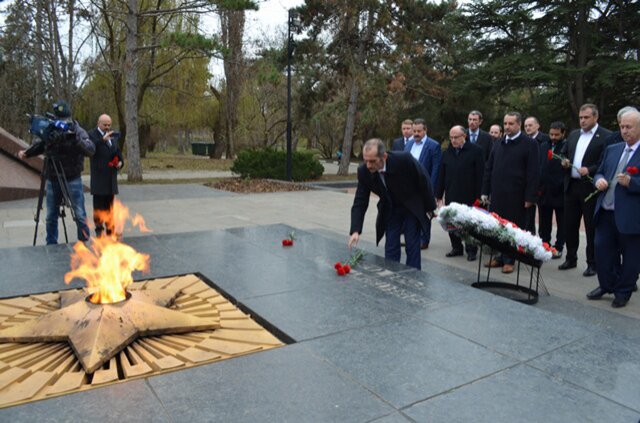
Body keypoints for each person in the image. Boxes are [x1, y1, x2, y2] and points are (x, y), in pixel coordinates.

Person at [349, 138, 436, 270]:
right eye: (366, 160)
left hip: (411, 206)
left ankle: (414, 276)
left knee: (412, 245)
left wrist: (430, 208)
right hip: (390, 208)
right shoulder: (364, 172)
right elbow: (360, 201)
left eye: (372, 161)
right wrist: (355, 230)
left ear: (384, 156)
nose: (368, 165)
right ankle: (391, 273)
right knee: (391, 245)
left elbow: (423, 181)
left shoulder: (404, 160)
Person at [18, 100, 95, 245]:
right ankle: (51, 245)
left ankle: (84, 242)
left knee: (79, 214)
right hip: (53, 178)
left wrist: (76, 139)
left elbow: (91, 150)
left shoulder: (78, 130)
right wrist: (27, 153)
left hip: (73, 178)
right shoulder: (52, 129)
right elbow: (41, 145)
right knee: (51, 216)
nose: (62, 123)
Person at [588, 110, 640, 308]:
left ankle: (623, 291)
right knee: (602, 250)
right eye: (622, 126)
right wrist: (598, 180)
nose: (624, 131)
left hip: (630, 215)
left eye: (629, 127)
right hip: (606, 212)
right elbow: (600, 171)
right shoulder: (613, 149)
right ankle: (607, 285)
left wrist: (632, 183)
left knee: (631, 256)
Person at [481, 112, 540, 274]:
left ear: (519, 124)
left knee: (513, 228)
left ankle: (510, 259)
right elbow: (489, 167)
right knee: (498, 227)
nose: (507, 127)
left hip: (517, 195)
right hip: (498, 194)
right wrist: (485, 191)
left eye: (511, 124)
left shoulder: (529, 144)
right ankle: (499, 256)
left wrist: (530, 197)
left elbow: (534, 172)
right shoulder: (499, 142)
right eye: (505, 123)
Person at [559, 103, 612, 277]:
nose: (582, 121)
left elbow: (606, 162)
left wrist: (590, 170)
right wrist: (564, 161)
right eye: (581, 117)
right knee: (570, 224)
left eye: (586, 117)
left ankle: (592, 263)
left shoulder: (606, 136)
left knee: (591, 227)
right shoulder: (574, 134)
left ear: (596, 117)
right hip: (571, 186)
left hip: (590, 188)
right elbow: (564, 153)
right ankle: (570, 258)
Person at [436, 125, 485, 261]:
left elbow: (481, 175)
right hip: (452, 193)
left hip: (470, 194)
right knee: (452, 222)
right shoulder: (447, 153)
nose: (453, 140)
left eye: (456, 137)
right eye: (451, 137)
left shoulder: (476, 151)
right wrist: (439, 195)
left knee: (469, 224)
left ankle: (471, 250)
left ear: (464, 136)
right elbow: (442, 175)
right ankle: (456, 247)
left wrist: (480, 196)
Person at [405, 118, 441, 249]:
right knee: (410, 213)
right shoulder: (409, 144)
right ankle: (412, 237)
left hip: (425, 187)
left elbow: (436, 169)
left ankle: (424, 240)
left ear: (425, 130)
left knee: (425, 214)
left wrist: (432, 190)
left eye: (419, 131)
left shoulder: (433, 146)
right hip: (409, 187)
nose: (416, 134)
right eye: (414, 131)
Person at [88, 114, 124, 238]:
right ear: (98, 123)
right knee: (99, 207)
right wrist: (102, 140)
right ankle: (99, 231)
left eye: (109, 125)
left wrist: (120, 162)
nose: (107, 127)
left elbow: (118, 152)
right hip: (99, 178)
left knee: (110, 207)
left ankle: (110, 231)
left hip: (111, 178)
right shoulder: (92, 135)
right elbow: (90, 149)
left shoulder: (112, 136)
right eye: (105, 125)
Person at [538, 121, 567, 259]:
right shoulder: (544, 146)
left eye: (556, 135)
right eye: (551, 134)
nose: (553, 137)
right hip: (544, 190)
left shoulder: (566, 146)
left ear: (563, 134)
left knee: (562, 222)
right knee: (544, 221)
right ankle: (545, 243)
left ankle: (559, 246)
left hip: (560, 191)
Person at [523, 116, 551, 234]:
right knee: (528, 213)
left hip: (543, 183)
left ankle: (544, 239)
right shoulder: (524, 140)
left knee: (544, 215)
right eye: (525, 126)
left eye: (530, 125)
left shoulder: (546, 140)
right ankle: (530, 236)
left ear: (538, 125)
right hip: (527, 182)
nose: (528, 128)